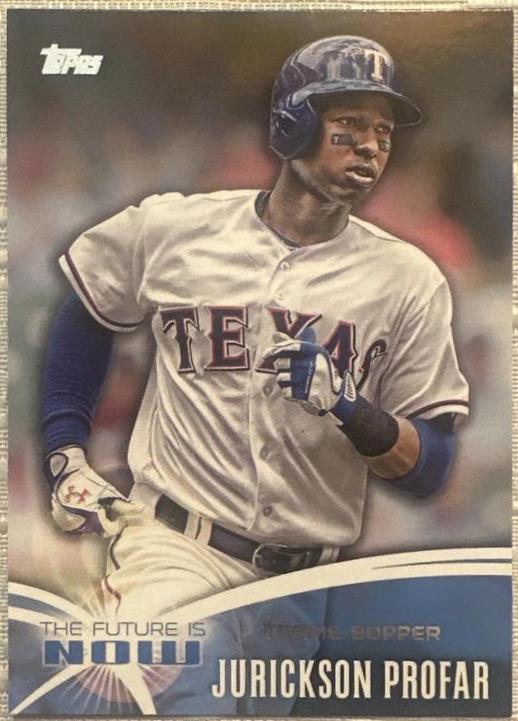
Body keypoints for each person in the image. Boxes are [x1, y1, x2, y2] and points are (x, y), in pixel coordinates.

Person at [42, 36, 469, 620]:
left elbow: (432, 467)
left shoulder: (410, 280)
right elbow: (87, 312)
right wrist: (65, 450)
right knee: (165, 671)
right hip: (176, 550)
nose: (371, 146)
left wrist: (351, 409)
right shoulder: (173, 228)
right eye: (349, 126)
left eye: (384, 132)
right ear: (294, 125)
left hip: (307, 586)